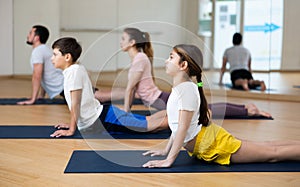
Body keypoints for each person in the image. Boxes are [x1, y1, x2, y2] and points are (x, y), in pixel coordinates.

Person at [142, 44, 300, 168]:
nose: (166, 61)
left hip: (214, 144)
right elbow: (177, 127)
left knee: (272, 153)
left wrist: (169, 160)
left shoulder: (186, 91)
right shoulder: (181, 89)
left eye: (171, 57)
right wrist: (165, 150)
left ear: (183, 65)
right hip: (210, 139)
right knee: (267, 146)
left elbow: (182, 129)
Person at [95, 28, 271, 118]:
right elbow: (131, 90)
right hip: (159, 98)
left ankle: (248, 110)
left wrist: (126, 113)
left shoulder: (139, 59)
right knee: (206, 108)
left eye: (123, 39)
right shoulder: (139, 58)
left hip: (158, 99)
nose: (120, 42)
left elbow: (130, 90)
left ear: (132, 42)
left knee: (206, 110)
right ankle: (246, 109)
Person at [49, 37, 168, 138]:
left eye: (55, 54)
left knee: (148, 127)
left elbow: (75, 103)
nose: (51, 58)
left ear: (67, 57)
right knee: (146, 121)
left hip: (102, 119)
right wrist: (72, 124)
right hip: (103, 114)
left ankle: (182, 120)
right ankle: (176, 114)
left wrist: (71, 130)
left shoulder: (73, 73)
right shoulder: (75, 69)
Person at [17, 25, 64, 105]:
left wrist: (33, 99)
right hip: (65, 87)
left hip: (66, 88)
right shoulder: (42, 49)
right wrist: (41, 95)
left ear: (37, 38)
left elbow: (37, 76)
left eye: (30, 33)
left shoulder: (38, 51)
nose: (28, 36)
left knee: (90, 98)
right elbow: (43, 75)